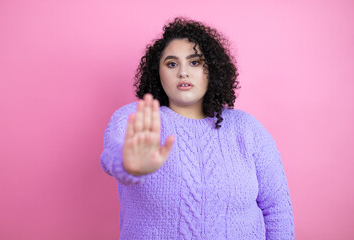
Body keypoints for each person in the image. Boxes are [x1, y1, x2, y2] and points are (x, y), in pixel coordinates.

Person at [100, 17, 294, 239]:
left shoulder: (247, 128)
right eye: (172, 64)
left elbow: (277, 210)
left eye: (194, 62)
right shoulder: (137, 117)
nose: (183, 72)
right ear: (157, 72)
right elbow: (111, 157)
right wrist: (129, 166)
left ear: (212, 69)